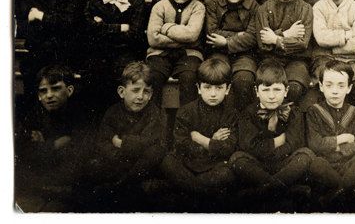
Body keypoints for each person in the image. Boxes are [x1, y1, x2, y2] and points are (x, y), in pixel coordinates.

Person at [230, 59, 315, 209]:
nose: (271, 96)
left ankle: (262, 191)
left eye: (277, 90)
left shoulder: (293, 112)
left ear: (286, 91)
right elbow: (250, 147)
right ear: (256, 91)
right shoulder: (248, 114)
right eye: (265, 90)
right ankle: (286, 191)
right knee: (237, 159)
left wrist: (269, 149)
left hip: (284, 165)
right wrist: (280, 141)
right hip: (258, 165)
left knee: (305, 155)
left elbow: (295, 144)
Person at [305, 60, 355, 210]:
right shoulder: (314, 112)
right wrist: (342, 139)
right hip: (326, 167)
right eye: (329, 85)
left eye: (341, 85)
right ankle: (353, 193)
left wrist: (334, 147)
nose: (335, 91)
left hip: (348, 166)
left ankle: (336, 194)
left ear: (349, 88)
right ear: (321, 86)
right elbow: (314, 144)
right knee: (316, 163)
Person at [161, 57, 238, 194]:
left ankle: (189, 190)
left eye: (219, 88)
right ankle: (200, 191)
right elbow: (181, 144)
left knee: (228, 172)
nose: (213, 94)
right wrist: (213, 143)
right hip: (188, 163)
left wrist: (201, 139)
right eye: (207, 87)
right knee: (167, 162)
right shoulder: (186, 111)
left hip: (214, 166)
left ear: (228, 89)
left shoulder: (231, 114)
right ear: (198, 88)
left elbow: (229, 148)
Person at [83, 0, 148, 112]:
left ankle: (120, 115)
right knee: (93, 72)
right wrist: (121, 28)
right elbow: (89, 30)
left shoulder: (137, 0)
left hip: (124, 51)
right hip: (98, 49)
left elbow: (134, 35)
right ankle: (95, 118)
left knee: (124, 74)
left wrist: (102, 26)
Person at [15, 65, 91, 196]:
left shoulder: (79, 115)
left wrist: (42, 145)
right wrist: (54, 145)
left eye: (56, 88)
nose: (49, 95)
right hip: (40, 180)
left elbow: (78, 153)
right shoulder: (34, 115)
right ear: (39, 96)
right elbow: (24, 151)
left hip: (67, 181)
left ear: (69, 91)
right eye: (43, 91)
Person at [20, 0, 85, 104]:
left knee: (61, 77)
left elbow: (70, 25)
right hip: (42, 52)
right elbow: (33, 31)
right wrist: (56, 25)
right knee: (30, 68)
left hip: (67, 52)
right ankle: (35, 110)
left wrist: (42, 16)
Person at [90, 61, 165, 191]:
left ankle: (122, 184)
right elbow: (101, 141)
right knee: (93, 164)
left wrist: (122, 143)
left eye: (146, 92)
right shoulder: (113, 112)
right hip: (119, 159)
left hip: (141, 161)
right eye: (135, 90)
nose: (140, 97)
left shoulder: (153, 112)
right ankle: (129, 184)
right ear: (121, 92)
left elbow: (148, 141)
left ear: (151, 94)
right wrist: (117, 155)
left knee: (156, 152)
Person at [146, 0, 205, 107]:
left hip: (189, 54)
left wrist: (166, 28)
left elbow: (192, 35)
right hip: (159, 54)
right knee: (154, 76)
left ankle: (186, 119)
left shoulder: (198, 7)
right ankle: (154, 119)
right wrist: (184, 38)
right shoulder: (159, 6)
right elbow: (153, 39)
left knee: (189, 77)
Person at [203, 0, 260, 111]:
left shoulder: (254, 6)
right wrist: (239, 35)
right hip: (218, 53)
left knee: (244, 79)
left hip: (246, 55)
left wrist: (226, 42)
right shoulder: (213, 5)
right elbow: (212, 33)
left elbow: (252, 37)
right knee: (216, 76)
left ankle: (244, 118)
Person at [255, 0, 313, 104]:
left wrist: (275, 39)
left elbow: (302, 44)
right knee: (269, 84)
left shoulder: (305, 8)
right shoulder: (263, 8)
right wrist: (286, 34)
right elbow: (263, 45)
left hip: (297, 60)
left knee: (294, 86)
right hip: (270, 59)